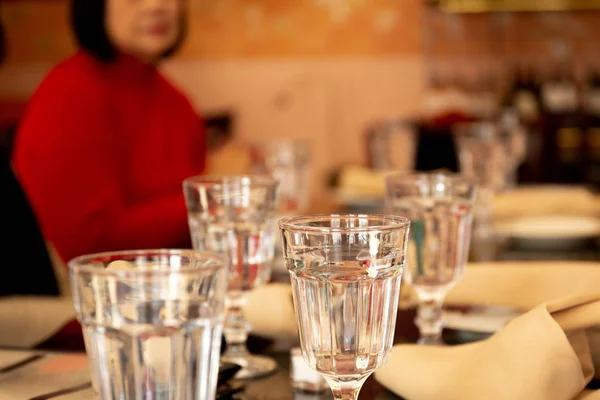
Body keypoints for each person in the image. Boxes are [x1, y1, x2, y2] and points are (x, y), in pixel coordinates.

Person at [12, 0, 207, 263]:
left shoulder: (176, 101)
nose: (156, 6)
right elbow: (87, 243)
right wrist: (207, 200)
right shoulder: (70, 94)